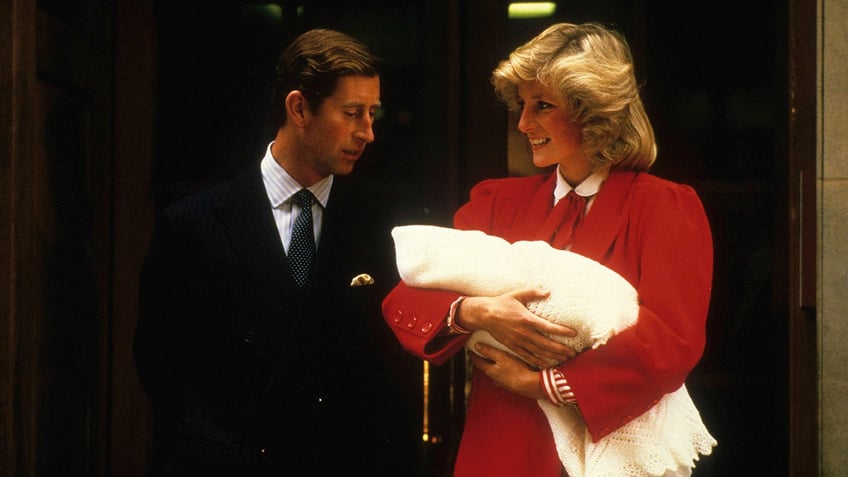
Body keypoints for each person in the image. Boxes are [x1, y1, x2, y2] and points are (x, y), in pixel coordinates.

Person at [382, 22, 714, 476]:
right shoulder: (496, 203)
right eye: (522, 105)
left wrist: (544, 383)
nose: (523, 123)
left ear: (593, 111)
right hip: (501, 450)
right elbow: (405, 296)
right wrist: (477, 312)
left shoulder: (664, 206)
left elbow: (674, 342)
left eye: (542, 106)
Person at [135, 28, 420, 476]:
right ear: (299, 107)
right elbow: (160, 365)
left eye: (372, 113)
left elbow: (389, 378)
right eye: (352, 113)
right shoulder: (192, 224)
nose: (368, 132)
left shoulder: (383, 228)